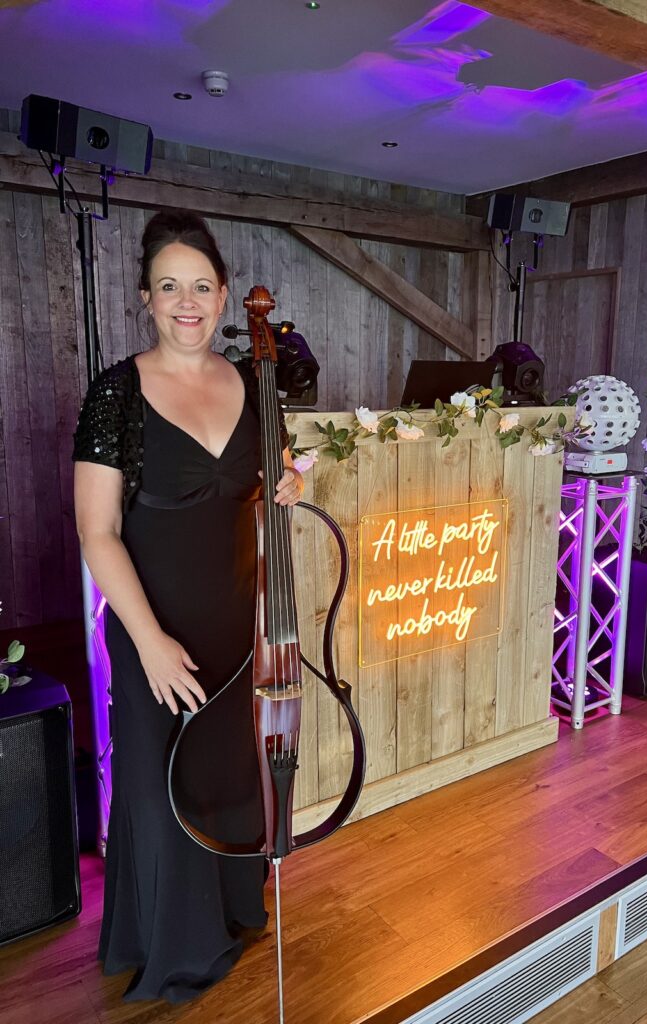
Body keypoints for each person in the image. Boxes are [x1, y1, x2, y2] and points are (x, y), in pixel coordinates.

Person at [72, 209, 304, 1003]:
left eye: (201, 286)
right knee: (157, 788)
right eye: (169, 286)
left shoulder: (248, 380)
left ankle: (235, 912)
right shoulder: (116, 392)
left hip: (234, 623)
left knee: (230, 777)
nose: (187, 302)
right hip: (154, 632)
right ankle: (174, 951)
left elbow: (269, 481)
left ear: (225, 294)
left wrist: (289, 483)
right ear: (144, 297)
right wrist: (148, 643)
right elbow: (98, 533)